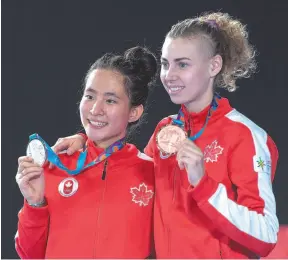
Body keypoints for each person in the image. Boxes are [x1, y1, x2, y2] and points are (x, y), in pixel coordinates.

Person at [50, 12, 279, 258]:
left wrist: (204, 185)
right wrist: (88, 141)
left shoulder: (244, 135)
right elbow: (128, 172)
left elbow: (265, 236)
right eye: (166, 63)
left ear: (214, 65)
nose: (169, 75)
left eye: (182, 64)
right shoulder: (166, 130)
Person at [15, 46, 157, 259]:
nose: (95, 109)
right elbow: (29, 255)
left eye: (110, 100)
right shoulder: (55, 166)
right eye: (90, 96)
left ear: (134, 112)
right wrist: (35, 203)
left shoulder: (152, 174)